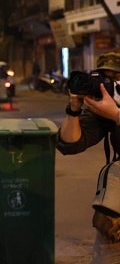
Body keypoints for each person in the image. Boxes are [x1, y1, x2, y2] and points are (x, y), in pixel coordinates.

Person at [57, 49, 120, 264]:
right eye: (104, 78)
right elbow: (70, 143)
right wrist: (74, 108)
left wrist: (117, 116)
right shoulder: (108, 107)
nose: (110, 84)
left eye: (116, 77)